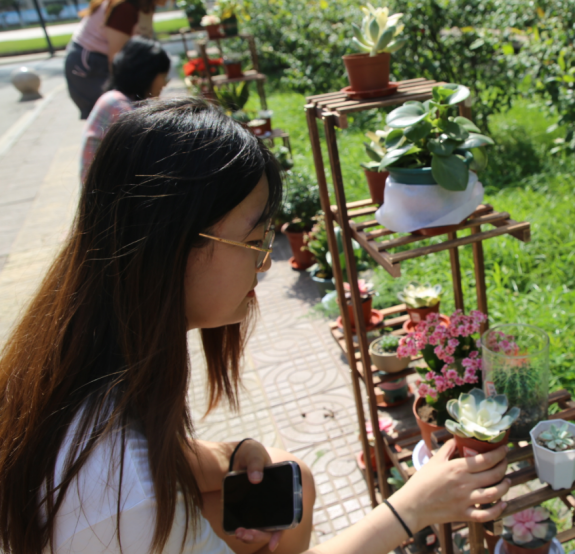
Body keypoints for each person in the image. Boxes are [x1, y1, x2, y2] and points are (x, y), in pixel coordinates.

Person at [0, 98, 510, 554]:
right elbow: (139, 477)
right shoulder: (121, 497)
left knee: (287, 476)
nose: (265, 264)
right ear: (173, 243)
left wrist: (228, 455)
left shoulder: (84, 355)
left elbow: (163, 453)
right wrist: (411, 509)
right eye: (255, 240)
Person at [80, 36, 171, 183]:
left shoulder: (116, 99)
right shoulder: (118, 107)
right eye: (163, 76)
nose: (165, 83)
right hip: (105, 193)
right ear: (147, 74)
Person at [65, 0, 169, 119]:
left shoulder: (146, 5)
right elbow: (118, 63)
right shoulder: (124, 8)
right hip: (89, 64)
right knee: (120, 114)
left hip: (101, 58)